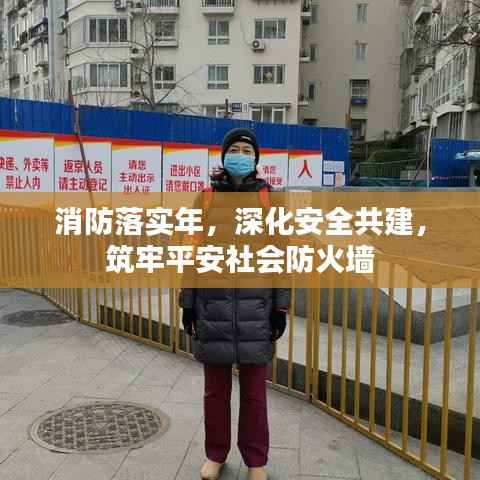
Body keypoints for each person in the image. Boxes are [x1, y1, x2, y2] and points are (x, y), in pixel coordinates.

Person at [179, 128, 291, 480]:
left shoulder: (270, 199)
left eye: (246, 150)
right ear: (224, 155)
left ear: (255, 158)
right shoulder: (206, 198)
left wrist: (280, 308)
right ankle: (215, 454)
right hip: (211, 308)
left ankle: (256, 460)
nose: (240, 155)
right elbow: (191, 252)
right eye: (235, 149)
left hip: (257, 311)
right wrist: (188, 303)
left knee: (254, 395)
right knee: (215, 392)